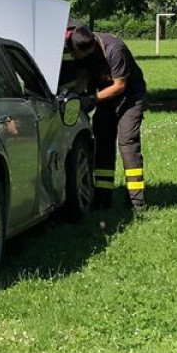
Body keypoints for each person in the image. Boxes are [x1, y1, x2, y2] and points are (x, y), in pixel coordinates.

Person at [66, 24, 149, 213]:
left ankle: (136, 202)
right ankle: (102, 199)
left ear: (89, 48)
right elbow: (83, 75)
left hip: (130, 98)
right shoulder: (80, 46)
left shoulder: (114, 50)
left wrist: (93, 99)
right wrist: (77, 96)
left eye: (76, 54)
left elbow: (119, 85)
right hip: (105, 97)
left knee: (128, 144)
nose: (73, 56)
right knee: (102, 143)